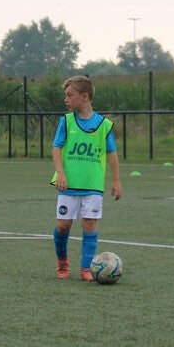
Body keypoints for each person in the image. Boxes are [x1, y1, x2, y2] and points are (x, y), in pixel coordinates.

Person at [51, 75, 123, 280]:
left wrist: (116, 180)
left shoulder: (104, 125)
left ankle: (86, 268)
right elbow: (56, 147)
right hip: (69, 184)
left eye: (69, 95)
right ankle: (62, 260)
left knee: (89, 223)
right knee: (63, 226)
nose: (66, 100)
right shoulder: (66, 122)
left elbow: (112, 153)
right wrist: (60, 172)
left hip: (93, 185)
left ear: (84, 96)